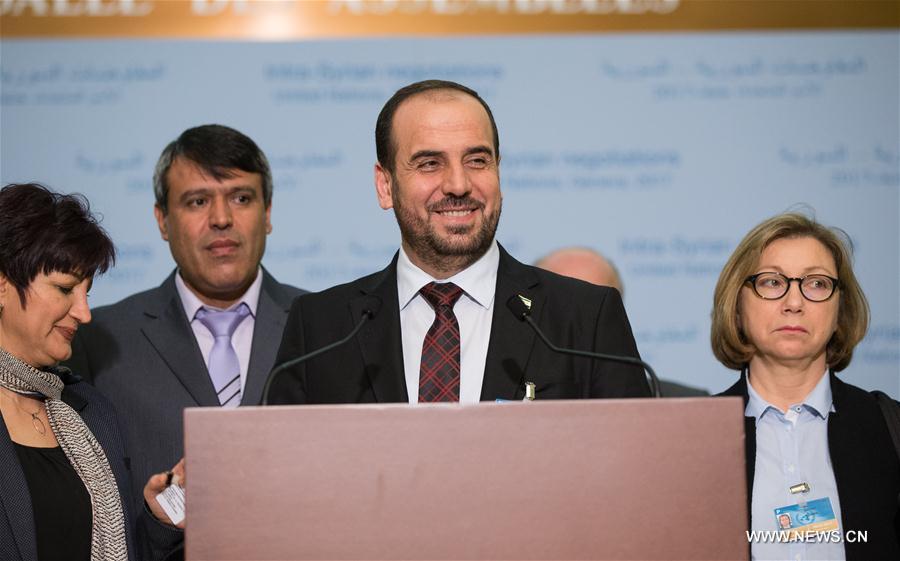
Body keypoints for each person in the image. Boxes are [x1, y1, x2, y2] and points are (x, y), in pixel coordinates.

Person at [268, 80, 649, 405]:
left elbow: (633, 469)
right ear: (385, 186)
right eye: (430, 163)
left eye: (477, 160)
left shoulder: (585, 318)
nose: (458, 184)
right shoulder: (321, 328)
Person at [65, 125, 305, 536]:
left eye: (242, 198)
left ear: (267, 214)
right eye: (197, 201)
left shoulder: (326, 323)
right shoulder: (98, 338)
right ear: (162, 220)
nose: (221, 219)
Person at [0, 183, 181, 561]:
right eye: (65, 289)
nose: (84, 313)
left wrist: (157, 522)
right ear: (3, 284)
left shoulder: (90, 408)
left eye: (87, 292)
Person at [711, 213, 899, 560]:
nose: (794, 303)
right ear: (736, 307)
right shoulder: (697, 436)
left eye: (816, 284)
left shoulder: (889, 426)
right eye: (771, 282)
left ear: (840, 310)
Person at [535, 246, 708, 397]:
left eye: (595, 311)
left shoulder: (692, 406)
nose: (578, 327)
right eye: (562, 309)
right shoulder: (511, 403)